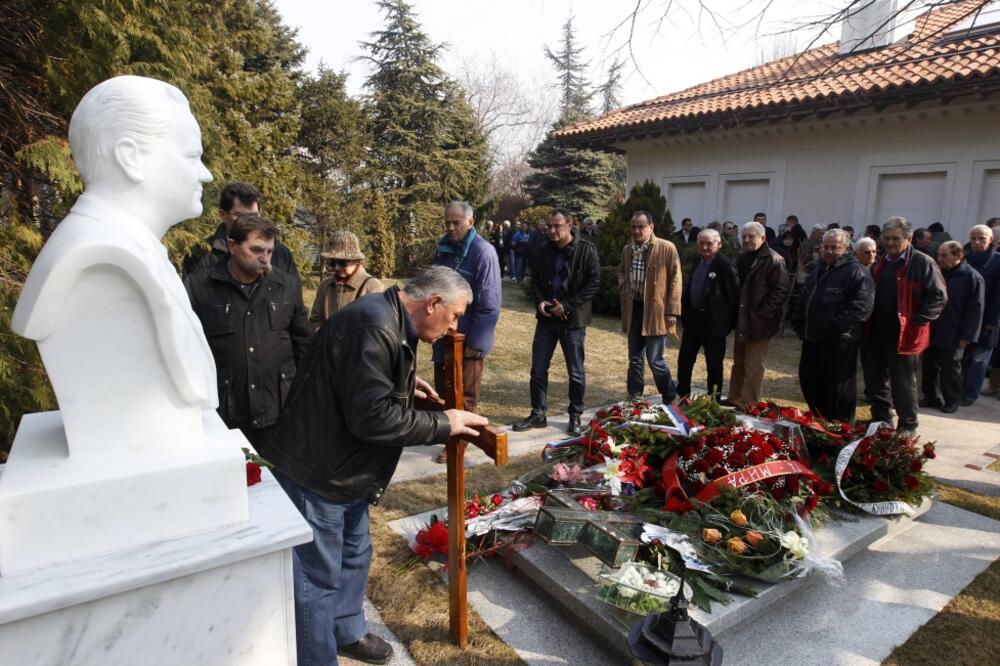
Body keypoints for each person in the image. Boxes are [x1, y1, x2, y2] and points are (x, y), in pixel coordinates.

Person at [256, 267, 487, 666]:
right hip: (319, 472)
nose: (454, 328)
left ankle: (346, 631)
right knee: (317, 578)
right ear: (432, 303)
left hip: (345, 472)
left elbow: (354, 376)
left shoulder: (384, 316)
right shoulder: (375, 325)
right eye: (454, 315)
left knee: (355, 554)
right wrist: (444, 423)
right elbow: (372, 419)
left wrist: (400, 381)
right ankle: (316, 658)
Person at [185, 213, 311, 447]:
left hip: (279, 411)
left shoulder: (286, 286)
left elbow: (303, 344)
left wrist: (305, 401)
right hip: (225, 412)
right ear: (232, 246)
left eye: (270, 251)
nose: (265, 258)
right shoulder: (199, 286)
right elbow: (186, 349)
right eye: (256, 250)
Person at [513, 208, 600, 435]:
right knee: (538, 369)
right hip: (546, 320)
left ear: (569, 224)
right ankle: (538, 413)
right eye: (549, 226)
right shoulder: (542, 250)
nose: (551, 230)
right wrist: (540, 301)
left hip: (572, 321)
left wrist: (567, 305)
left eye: (557, 226)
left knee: (576, 371)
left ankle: (575, 415)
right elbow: (534, 282)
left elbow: (593, 282)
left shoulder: (586, 250)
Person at [863, 216, 947, 433]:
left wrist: (918, 320)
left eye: (895, 238)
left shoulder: (922, 262)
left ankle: (908, 423)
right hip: (877, 330)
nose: (890, 243)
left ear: (908, 239)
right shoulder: (881, 262)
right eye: (887, 238)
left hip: (904, 334)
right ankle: (881, 418)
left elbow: (938, 296)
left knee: (903, 383)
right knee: (875, 379)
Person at [431, 201, 501, 460]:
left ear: (470, 222)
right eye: (447, 222)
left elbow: (490, 304)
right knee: (444, 390)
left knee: (465, 396)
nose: (450, 227)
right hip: (443, 335)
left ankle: (458, 444)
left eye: (456, 222)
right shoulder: (443, 248)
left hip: (467, 339)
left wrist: (477, 343)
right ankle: (450, 433)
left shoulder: (484, 252)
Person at [792, 229, 874, 421]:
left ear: (846, 249)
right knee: (810, 383)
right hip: (812, 339)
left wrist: (830, 327)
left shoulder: (857, 272)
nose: (828, 251)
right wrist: (799, 322)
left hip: (838, 342)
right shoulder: (819, 268)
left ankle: (839, 431)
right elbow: (804, 298)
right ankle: (821, 424)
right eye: (825, 247)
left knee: (838, 392)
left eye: (834, 247)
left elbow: (860, 310)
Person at [619, 211, 683, 404]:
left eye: (641, 226)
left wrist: (672, 310)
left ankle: (670, 397)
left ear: (651, 227)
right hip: (634, 308)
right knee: (635, 359)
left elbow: (676, 279)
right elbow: (622, 270)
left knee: (655, 360)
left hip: (656, 311)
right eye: (634, 227)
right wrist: (622, 282)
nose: (637, 230)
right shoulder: (627, 250)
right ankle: (635, 396)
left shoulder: (666, 247)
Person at [726, 221, 790, 407]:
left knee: (754, 365)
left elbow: (780, 291)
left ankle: (750, 404)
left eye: (751, 236)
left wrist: (761, 313)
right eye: (744, 236)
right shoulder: (744, 257)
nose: (746, 239)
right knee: (738, 362)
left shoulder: (774, 260)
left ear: (763, 238)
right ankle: (734, 398)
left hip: (759, 322)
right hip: (742, 318)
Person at [182, 181, 298, 277]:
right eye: (240, 215)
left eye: (253, 216)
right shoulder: (200, 254)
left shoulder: (280, 254)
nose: (249, 222)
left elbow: (292, 298)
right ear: (222, 215)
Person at [677, 229, 739, 399]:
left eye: (709, 244)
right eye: (701, 243)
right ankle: (683, 396)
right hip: (694, 321)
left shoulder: (724, 265)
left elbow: (733, 297)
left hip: (714, 325)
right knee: (684, 361)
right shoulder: (698, 260)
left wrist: (727, 325)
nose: (704, 247)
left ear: (718, 245)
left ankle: (714, 399)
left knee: (713, 365)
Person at [922, 241, 984, 412]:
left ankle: (952, 400)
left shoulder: (972, 277)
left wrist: (968, 335)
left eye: (944, 255)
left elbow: (976, 309)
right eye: (939, 255)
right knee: (929, 366)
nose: (940, 259)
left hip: (954, 332)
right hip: (932, 328)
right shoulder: (937, 272)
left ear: (958, 256)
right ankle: (931, 397)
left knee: (950, 370)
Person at [309, 231, 384, 332]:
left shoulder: (373, 286)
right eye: (332, 262)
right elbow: (315, 320)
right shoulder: (325, 286)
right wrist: (322, 334)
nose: (336, 267)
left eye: (342, 262)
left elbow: (375, 328)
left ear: (357, 260)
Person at [960, 224, 1000, 404]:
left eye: (981, 239)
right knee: (963, 357)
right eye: (973, 238)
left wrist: (993, 321)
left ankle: (969, 395)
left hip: (987, 319)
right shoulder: (964, 258)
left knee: (979, 360)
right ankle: (957, 389)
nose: (976, 242)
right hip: (964, 317)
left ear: (991, 241)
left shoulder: (997, 262)